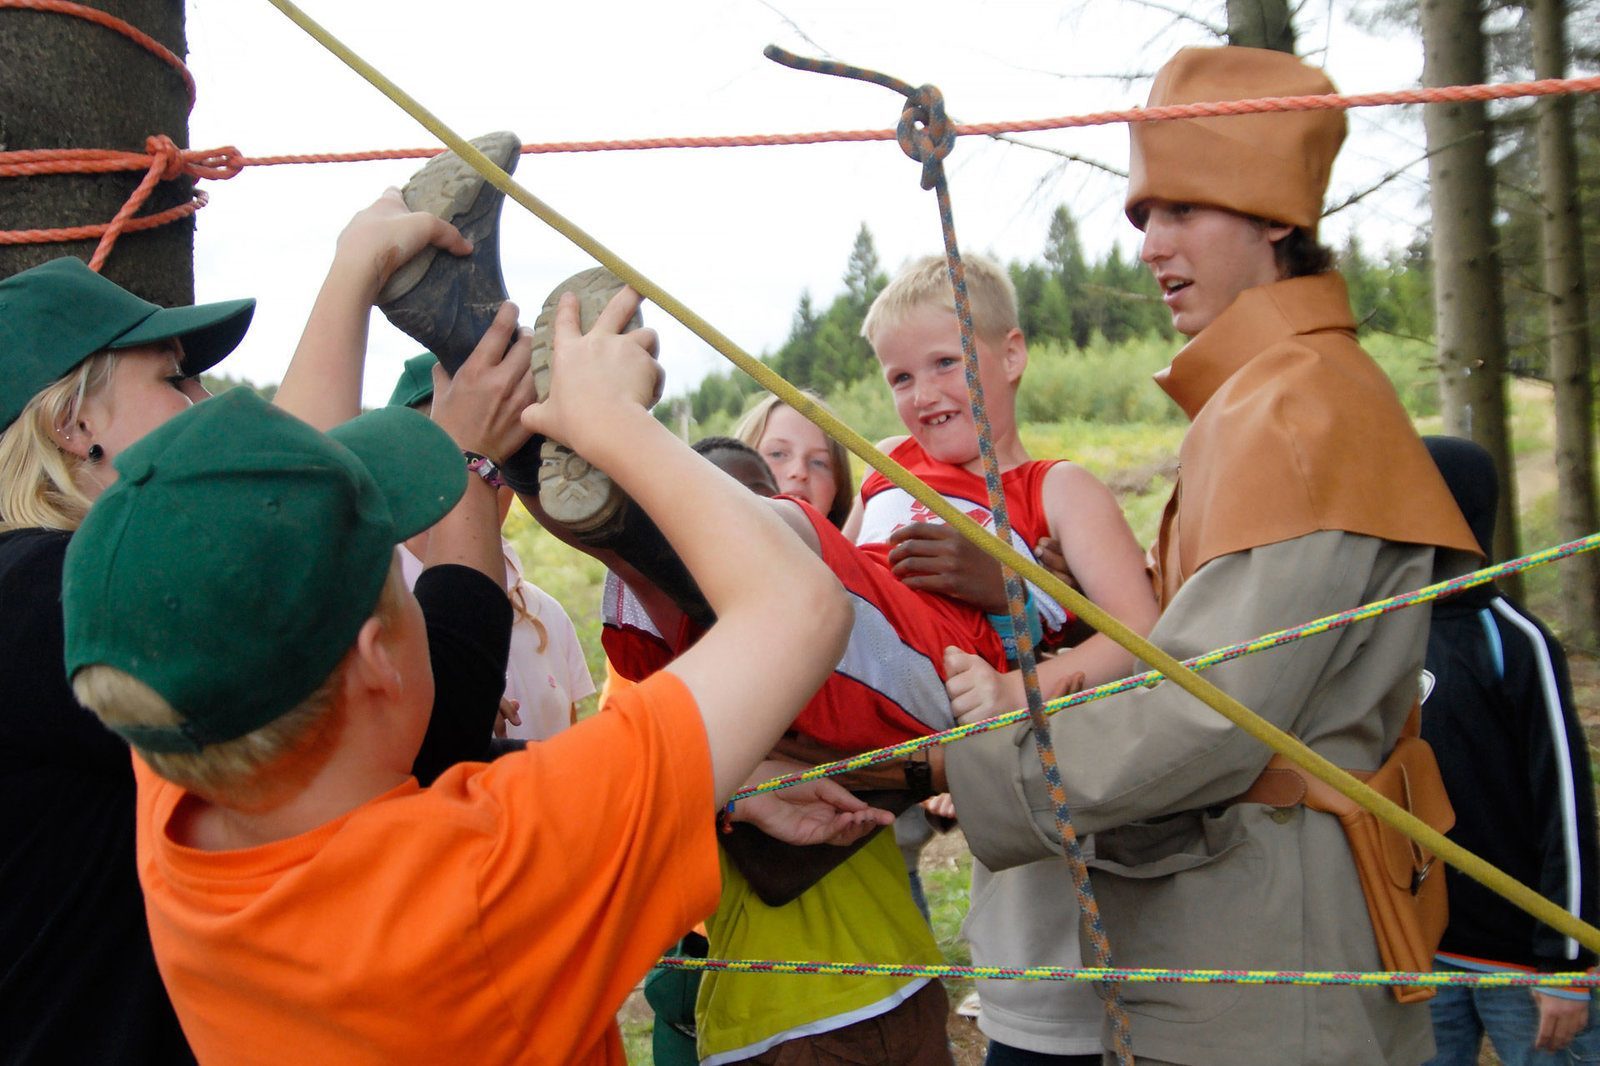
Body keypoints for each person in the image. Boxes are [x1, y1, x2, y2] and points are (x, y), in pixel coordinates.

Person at [62, 288, 881, 1064]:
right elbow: (800, 606)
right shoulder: (484, 875)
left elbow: (232, 546)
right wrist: (613, 423)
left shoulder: (179, 792)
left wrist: (719, 780)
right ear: (378, 656)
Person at [927, 46, 1483, 1065]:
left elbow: (1205, 715)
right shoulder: (1273, 396)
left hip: (1271, 964)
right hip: (1251, 933)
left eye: (1183, 211)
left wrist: (962, 760)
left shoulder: (1298, 408)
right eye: (1144, 216)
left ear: (1275, 217)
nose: (1150, 245)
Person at [0, 192, 485, 1064]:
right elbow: (398, 718)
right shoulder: (39, 600)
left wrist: (726, 787)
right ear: (75, 426)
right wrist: (470, 475)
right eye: (173, 377)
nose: (204, 398)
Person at [851, 253, 1158, 1066]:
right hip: (1001, 884)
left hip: (1088, 865)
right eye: (901, 376)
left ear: (1012, 354)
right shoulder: (889, 472)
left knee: (1075, 1027)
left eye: (947, 362)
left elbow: (1142, 633)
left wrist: (1021, 678)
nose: (924, 395)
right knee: (1021, 1021)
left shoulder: (1056, 490)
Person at [689, 416, 952, 1066]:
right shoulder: (681, 654)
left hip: (902, 971)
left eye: (817, 464)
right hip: (782, 1016)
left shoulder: (863, 634)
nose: (788, 486)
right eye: (775, 460)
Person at [1418, 435, 1600, 1066]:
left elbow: (1567, 810)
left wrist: (1567, 962)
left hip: (1523, 964)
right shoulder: (1375, 632)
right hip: (1418, 954)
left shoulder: (1515, 640)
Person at [389, 350, 596, 741]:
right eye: (455, 456)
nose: (478, 476)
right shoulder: (373, 614)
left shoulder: (546, 614)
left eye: (500, 457)